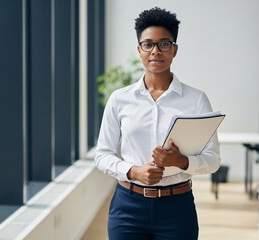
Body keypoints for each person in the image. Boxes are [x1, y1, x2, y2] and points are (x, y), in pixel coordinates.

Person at [95, 6, 221, 240]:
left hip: (177, 208)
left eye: (164, 44)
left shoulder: (196, 100)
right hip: (128, 207)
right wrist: (133, 171)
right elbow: (102, 154)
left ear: (174, 50)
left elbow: (213, 160)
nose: (156, 51)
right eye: (148, 44)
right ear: (139, 50)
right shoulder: (120, 99)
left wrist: (182, 161)